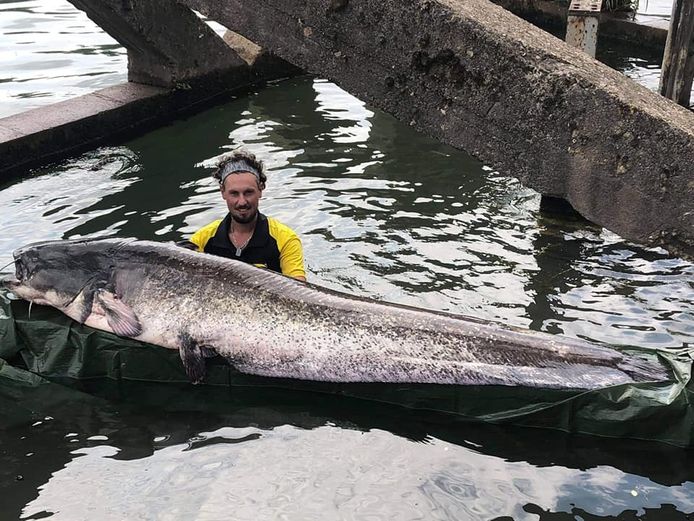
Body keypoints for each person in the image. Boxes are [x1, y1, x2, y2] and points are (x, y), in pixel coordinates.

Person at [181, 150, 306, 281]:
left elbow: (302, 292)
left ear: (260, 189)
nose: (242, 202)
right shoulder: (203, 239)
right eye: (234, 193)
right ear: (223, 193)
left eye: (248, 192)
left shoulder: (286, 240)